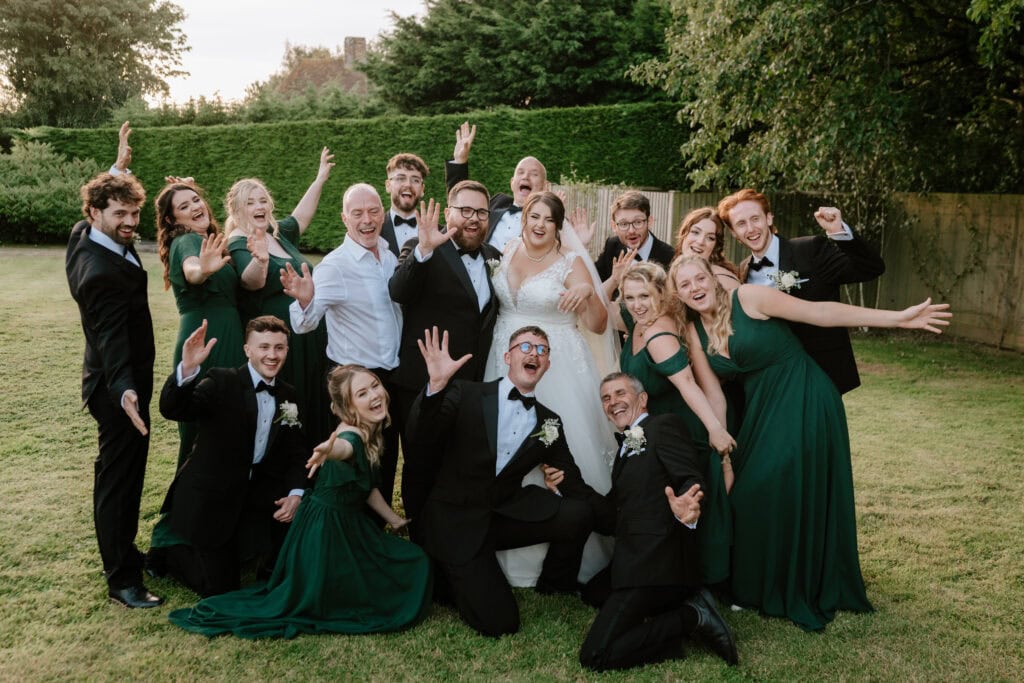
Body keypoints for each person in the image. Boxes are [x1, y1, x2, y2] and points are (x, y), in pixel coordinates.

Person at [671, 256, 951, 631]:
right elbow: (715, 396)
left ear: (713, 278)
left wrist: (896, 318)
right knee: (746, 494)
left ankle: (798, 583)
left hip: (804, 395)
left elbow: (820, 313)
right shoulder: (694, 330)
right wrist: (722, 451)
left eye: (699, 278)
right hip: (763, 409)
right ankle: (758, 586)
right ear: (679, 294)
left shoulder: (750, 297)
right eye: (685, 284)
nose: (695, 287)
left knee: (773, 485)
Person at [168, 364, 431, 639]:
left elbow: (365, 486)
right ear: (349, 407)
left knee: (407, 561)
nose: (375, 395)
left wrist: (393, 519)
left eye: (375, 385)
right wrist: (329, 450)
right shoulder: (350, 436)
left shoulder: (369, 429)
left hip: (347, 524)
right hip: (327, 534)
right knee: (411, 565)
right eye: (362, 393)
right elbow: (344, 448)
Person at [406, 326, 607, 637]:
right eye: (525, 346)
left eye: (542, 350)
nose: (533, 353)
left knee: (577, 512)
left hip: (504, 514)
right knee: (501, 624)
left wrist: (621, 520)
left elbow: (572, 481)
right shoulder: (465, 393)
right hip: (455, 520)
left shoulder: (549, 421)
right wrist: (434, 389)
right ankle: (446, 576)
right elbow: (422, 439)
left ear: (547, 365)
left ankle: (556, 585)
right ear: (507, 355)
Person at [544, 373, 738, 670]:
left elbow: (689, 478)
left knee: (594, 656)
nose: (612, 402)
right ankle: (670, 636)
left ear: (642, 399)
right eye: (606, 398)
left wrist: (687, 506)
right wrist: (564, 484)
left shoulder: (663, 426)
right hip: (631, 559)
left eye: (620, 393)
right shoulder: (625, 448)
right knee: (592, 591)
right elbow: (611, 516)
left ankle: (692, 616)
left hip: (659, 563)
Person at [484, 190, 619, 586]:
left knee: (562, 447)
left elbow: (597, 324)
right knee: (503, 444)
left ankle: (567, 551)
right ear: (523, 218)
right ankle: (502, 544)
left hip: (555, 362)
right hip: (502, 354)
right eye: (533, 216)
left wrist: (588, 295)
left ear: (558, 227)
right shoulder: (506, 249)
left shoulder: (571, 263)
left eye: (547, 219)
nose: (539, 224)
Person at [156, 316, 308, 597]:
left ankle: (266, 559)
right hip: (210, 494)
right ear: (247, 350)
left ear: (287, 350)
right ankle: (170, 555)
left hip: (255, 489)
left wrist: (296, 493)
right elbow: (174, 410)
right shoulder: (220, 381)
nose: (272, 355)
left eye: (279, 348)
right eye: (263, 347)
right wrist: (188, 368)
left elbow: (297, 452)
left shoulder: (288, 395)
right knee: (219, 589)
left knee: (290, 552)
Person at [66, 169, 162, 609]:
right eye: (120, 213)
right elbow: (110, 337)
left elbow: (96, 211)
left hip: (116, 382)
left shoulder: (85, 235)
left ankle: (125, 553)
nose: (130, 221)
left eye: (135, 212)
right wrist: (126, 391)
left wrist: (117, 171)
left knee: (123, 476)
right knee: (119, 483)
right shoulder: (99, 272)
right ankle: (122, 579)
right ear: (95, 213)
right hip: (117, 390)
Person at [606, 262, 735, 584]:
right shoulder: (634, 320)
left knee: (671, 502)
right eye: (630, 296)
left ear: (661, 296)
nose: (636, 304)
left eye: (644, 296)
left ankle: (680, 576)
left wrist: (716, 431)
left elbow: (689, 383)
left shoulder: (658, 333)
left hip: (678, 433)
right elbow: (596, 314)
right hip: (652, 429)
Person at [388, 180, 502, 531]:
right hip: (423, 380)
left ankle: (454, 533)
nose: (473, 219)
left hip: (472, 384)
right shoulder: (421, 246)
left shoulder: (494, 258)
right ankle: (421, 534)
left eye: (481, 212)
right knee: (422, 463)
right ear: (449, 213)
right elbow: (398, 290)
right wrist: (423, 251)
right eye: (465, 210)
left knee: (460, 463)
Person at [283, 183, 404, 510]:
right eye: (358, 213)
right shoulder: (335, 266)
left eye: (374, 211)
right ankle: (353, 537)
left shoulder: (389, 255)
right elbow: (303, 323)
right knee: (356, 468)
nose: (367, 219)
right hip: (354, 383)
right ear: (344, 218)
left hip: (389, 377)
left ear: (383, 213)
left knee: (385, 459)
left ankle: (377, 528)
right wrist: (306, 300)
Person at [718, 188, 885, 393]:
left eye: (755, 218)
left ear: (769, 218)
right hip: (772, 379)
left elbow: (871, 268)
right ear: (734, 233)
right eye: (741, 224)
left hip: (819, 373)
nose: (751, 228)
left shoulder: (809, 250)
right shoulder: (742, 272)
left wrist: (838, 231)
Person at [226, 149, 334, 445]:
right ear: (237, 210)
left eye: (263, 200)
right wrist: (260, 260)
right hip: (280, 341)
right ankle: (291, 459)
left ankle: (314, 460)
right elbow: (250, 282)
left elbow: (302, 215)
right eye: (250, 202)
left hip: (309, 333)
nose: (259, 206)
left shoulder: (277, 233)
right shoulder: (238, 240)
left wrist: (320, 178)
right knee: (290, 404)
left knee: (315, 396)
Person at [444, 122, 551, 251]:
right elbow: (460, 200)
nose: (525, 177)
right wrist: (460, 162)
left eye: (534, 174)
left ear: (545, 186)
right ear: (512, 182)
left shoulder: (551, 220)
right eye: (520, 172)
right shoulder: (497, 203)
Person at [594, 190, 675, 285]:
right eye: (624, 224)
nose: (631, 230)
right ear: (614, 226)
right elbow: (593, 282)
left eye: (638, 222)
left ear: (649, 222)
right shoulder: (611, 246)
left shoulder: (670, 256)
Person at [673, 207, 741, 291]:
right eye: (695, 232)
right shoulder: (673, 270)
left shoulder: (723, 281)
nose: (700, 242)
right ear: (684, 234)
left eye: (710, 238)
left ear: (715, 246)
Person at [380, 152, 430, 258]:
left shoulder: (434, 232)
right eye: (401, 178)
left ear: (422, 189)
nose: (408, 184)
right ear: (388, 185)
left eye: (415, 180)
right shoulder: (375, 229)